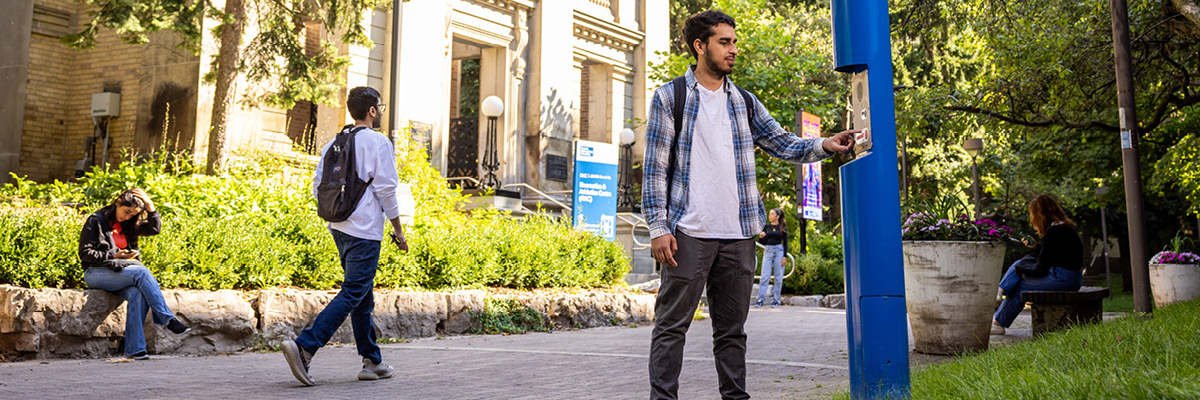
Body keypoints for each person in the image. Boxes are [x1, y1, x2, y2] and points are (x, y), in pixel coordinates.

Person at [643, 10, 856, 400]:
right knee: (672, 327)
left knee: (732, 333)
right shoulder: (668, 97)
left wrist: (824, 144)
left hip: (739, 235)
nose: (733, 50)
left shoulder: (743, 101)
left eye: (734, 42)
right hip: (688, 233)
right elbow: (655, 170)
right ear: (699, 46)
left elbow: (782, 142)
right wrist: (658, 227)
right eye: (724, 42)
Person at [281, 86, 408, 386]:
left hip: (339, 228)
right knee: (353, 292)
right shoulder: (379, 143)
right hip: (365, 232)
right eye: (381, 108)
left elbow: (317, 186)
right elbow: (387, 190)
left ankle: (372, 361)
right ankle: (305, 347)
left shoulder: (332, 144)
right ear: (372, 110)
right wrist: (398, 229)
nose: (381, 113)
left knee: (362, 297)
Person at [79, 188, 190, 360]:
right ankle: (167, 318)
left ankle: (135, 349)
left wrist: (150, 206)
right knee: (141, 272)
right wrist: (113, 255)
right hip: (96, 273)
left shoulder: (128, 225)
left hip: (120, 272)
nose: (127, 217)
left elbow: (154, 229)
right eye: (126, 211)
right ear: (118, 203)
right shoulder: (96, 221)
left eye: (132, 215)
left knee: (137, 293)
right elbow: (85, 253)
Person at [992, 194, 1084, 335]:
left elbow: (1042, 268)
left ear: (1039, 214)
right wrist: (1035, 247)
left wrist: (1022, 273)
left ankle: (998, 318)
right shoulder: (1066, 229)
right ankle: (999, 296)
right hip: (1073, 278)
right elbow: (1054, 257)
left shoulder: (1053, 232)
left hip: (1062, 278)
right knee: (1020, 265)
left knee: (1020, 285)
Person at [755, 208, 788, 308]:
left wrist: (784, 256)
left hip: (779, 251)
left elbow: (786, 243)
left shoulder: (782, 227)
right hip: (768, 251)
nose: (770, 216)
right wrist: (761, 237)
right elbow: (762, 243)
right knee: (765, 276)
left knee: (778, 278)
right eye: (769, 214)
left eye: (772, 214)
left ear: (777, 216)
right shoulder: (766, 227)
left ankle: (776, 300)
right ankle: (760, 299)